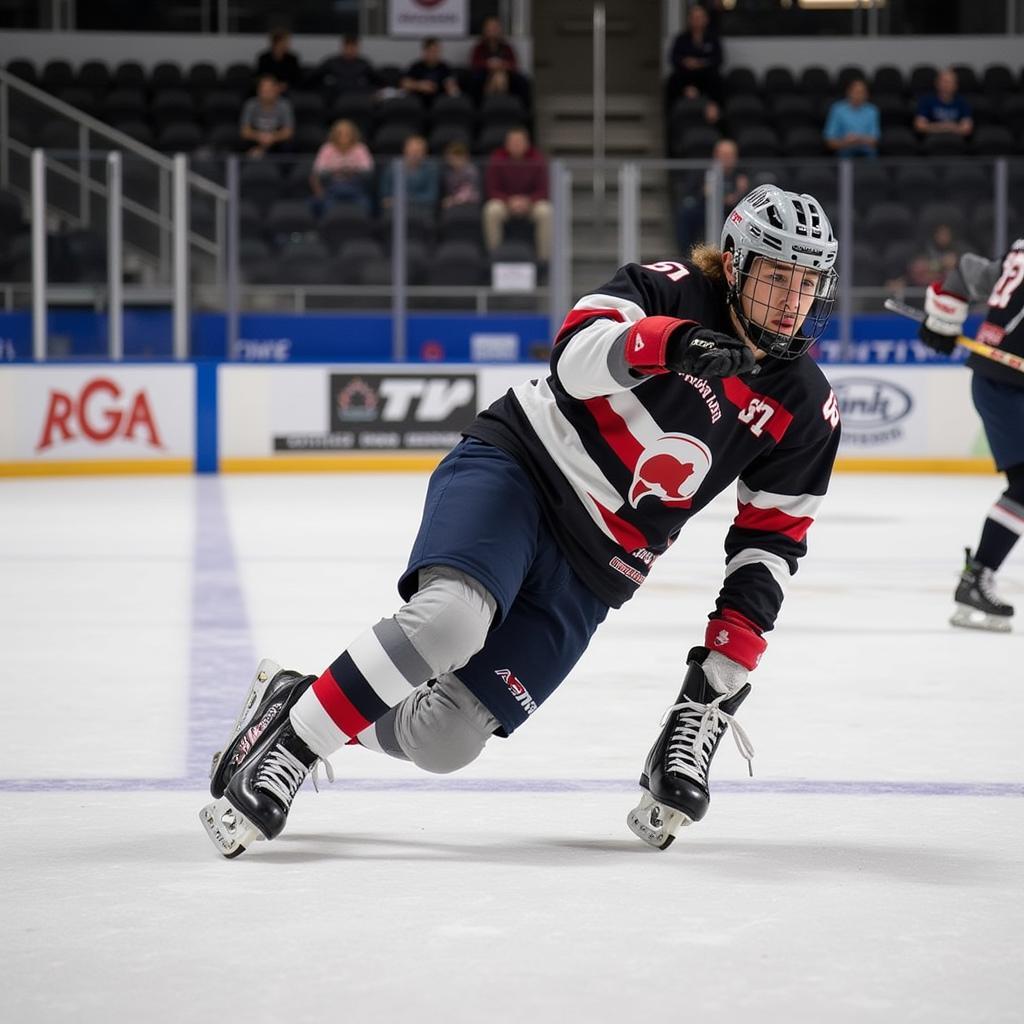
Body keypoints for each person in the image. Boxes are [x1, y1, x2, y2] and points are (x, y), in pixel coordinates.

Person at [199, 185, 842, 858]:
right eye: (775, 277)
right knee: (451, 619)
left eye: (806, 284)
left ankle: (296, 698)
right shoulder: (666, 288)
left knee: (445, 739)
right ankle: (289, 748)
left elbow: (769, 548)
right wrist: (668, 345)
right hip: (524, 471)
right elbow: (572, 360)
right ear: (735, 265)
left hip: (599, 569)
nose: (791, 302)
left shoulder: (806, 405)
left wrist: (713, 689)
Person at [917, 239, 1024, 631]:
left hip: (1001, 379)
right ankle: (977, 576)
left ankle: (978, 576)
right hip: (1006, 385)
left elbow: (966, 272)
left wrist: (943, 321)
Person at [483, 127, 551, 261]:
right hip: (505, 203)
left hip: (530, 204)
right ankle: (494, 257)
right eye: (513, 142)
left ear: (527, 143)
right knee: (491, 210)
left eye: (519, 141)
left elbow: (544, 190)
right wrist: (509, 200)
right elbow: (492, 189)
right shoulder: (497, 158)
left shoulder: (537, 159)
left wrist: (528, 201)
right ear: (507, 144)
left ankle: (544, 261)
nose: (516, 145)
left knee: (546, 211)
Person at [675, 137, 749, 252]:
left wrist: (739, 192)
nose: (727, 159)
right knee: (686, 214)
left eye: (730, 156)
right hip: (706, 211)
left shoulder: (741, 176)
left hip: (732, 213)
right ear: (716, 155)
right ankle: (686, 252)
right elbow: (694, 194)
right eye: (724, 155)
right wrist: (704, 193)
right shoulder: (705, 173)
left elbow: (746, 202)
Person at [309, 119, 374, 217]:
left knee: (365, 204)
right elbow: (318, 172)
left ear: (353, 134)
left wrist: (349, 171)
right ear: (334, 134)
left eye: (347, 133)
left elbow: (368, 170)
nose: (343, 136)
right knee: (324, 205)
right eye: (340, 133)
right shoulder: (327, 149)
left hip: (356, 188)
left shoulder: (360, 148)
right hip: (331, 188)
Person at [665, 4, 724, 108]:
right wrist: (685, 61)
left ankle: (714, 112)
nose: (697, 20)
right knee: (672, 81)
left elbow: (718, 59)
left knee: (718, 81)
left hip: (706, 76)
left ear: (706, 19)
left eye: (700, 17)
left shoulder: (712, 39)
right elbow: (673, 58)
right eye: (694, 17)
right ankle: (673, 116)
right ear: (689, 20)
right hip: (685, 76)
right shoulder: (681, 39)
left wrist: (701, 63)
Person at [469, 16, 530, 106]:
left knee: (502, 77)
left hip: (505, 75)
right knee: (486, 79)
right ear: (484, 30)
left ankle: (501, 107)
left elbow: (513, 64)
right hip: (485, 75)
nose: (492, 31)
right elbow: (474, 64)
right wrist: (489, 65)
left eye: (495, 28)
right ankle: (490, 107)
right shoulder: (479, 48)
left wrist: (501, 65)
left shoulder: (506, 48)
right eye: (489, 28)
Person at [379, 134, 440, 214]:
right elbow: (385, 196)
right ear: (405, 150)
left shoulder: (431, 169)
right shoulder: (392, 168)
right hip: (395, 210)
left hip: (421, 210)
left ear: (424, 153)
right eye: (412, 150)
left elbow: (431, 197)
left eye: (418, 151)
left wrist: (402, 200)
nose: (415, 154)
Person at [823, 77, 880, 158]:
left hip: (866, 151)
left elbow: (874, 141)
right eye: (856, 92)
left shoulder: (872, 110)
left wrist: (859, 138)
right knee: (845, 153)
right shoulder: (837, 109)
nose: (859, 95)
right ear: (848, 92)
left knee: (871, 153)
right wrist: (845, 141)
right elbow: (830, 141)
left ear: (867, 94)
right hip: (844, 149)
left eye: (862, 92)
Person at [239, 75, 294, 157]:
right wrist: (260, 137)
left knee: (288, 146)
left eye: (270, 91)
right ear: (258, 91)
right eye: (264, 91)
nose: (267, 94)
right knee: (241, 144)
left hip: (276, 140)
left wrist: (271, 138)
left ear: (277, 90)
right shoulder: (251, 104)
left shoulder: (284, 105)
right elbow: (244, 131)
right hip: (256, 138)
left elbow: (288, 132)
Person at [913, 67, 973, 139]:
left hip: (955, 139)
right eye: (943, 81)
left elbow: (967, 129)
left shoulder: (962, 102)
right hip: (933, 139)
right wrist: (946, 127)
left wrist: (934, 127)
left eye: (950, 82)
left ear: (956, 85)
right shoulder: (926, 100)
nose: (946, 85)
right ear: (936, 83)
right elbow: (919, 126)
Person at [314, 34, 378, 100]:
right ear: (343, 47)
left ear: (357, 48)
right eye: (348, 47)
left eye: (353, 47)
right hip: (336, 98)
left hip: (358, 98)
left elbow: (377, 80)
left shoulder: (363, 64)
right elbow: (315, 77)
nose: (350, 50)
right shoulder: (331, 62)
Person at [401, 37, 460, 104]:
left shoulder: (445, 67)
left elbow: (452, 86)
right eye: (431, 51)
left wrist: (451, 88)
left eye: (437, 51)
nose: (434, 54)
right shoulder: (416, 66)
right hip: (419, 102)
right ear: (425, 51)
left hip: (439, 103)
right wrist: (419, 85)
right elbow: (405, 84)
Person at [255, 27, 302, 92]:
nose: (288, 44)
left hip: (287, 90)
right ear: (277, 42)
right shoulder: (264, 58)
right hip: (268, 89)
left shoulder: (292, 59)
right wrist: (273, 85)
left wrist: (286, 85)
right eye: (285, 41)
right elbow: (260, 76)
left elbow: (297, 78)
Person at [441, 140, 481, 209]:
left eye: (458, 157)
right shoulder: (448, 172)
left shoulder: (471, 171)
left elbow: (469, 191)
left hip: (471, 201)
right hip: (453, 201)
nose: (455, 160)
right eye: (452, 158)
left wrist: (454, 200)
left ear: (465, 157)